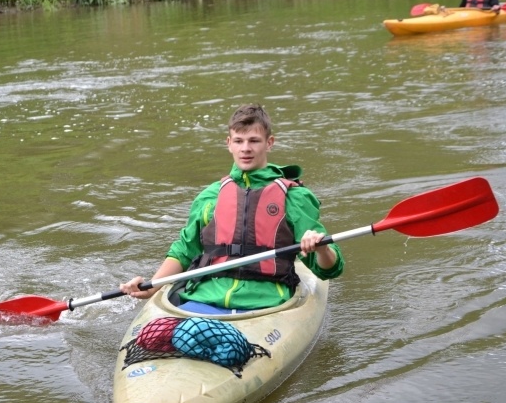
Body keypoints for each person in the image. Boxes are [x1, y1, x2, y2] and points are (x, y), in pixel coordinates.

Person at [119, 103, 343, 313]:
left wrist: (321, 249)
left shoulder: (294, 197)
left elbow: (330, 269)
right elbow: (184, 250)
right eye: (238, 141)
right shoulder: (210, 196)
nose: (246, 148)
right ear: (229, 143)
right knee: (160, 337)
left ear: (269, 143)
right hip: (206, 297)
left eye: (254, 141)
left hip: (267, 301)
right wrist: (151, 286)